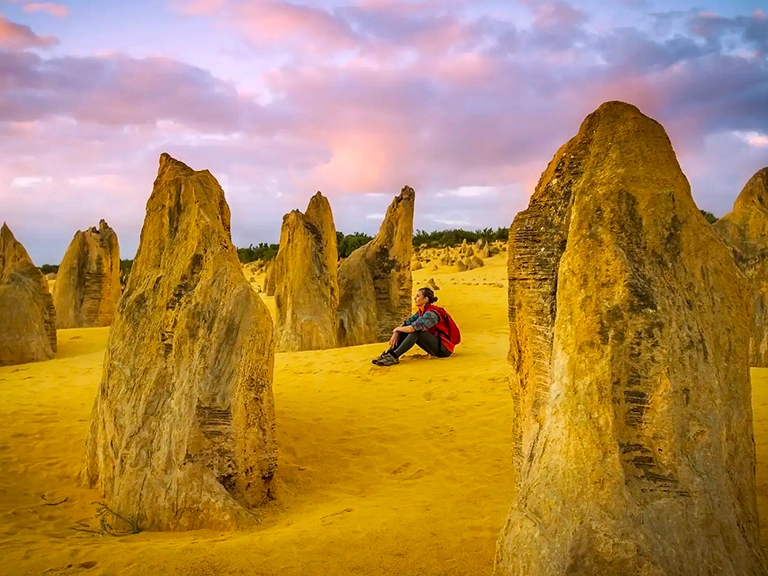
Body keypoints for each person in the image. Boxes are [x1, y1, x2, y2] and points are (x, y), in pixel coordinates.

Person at [372, 287, 454, 366]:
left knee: (416, 332)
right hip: (434, 347)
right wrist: (397, 332)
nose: (415, 298)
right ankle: (389, 354)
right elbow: (406, 323)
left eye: (418, 296)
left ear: (426, 299)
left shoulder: (432, 314)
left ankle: (394, 356)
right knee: (405, 329)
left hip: (443, 349)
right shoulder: (421, 312)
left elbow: (414, 328)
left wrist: (396, 329)